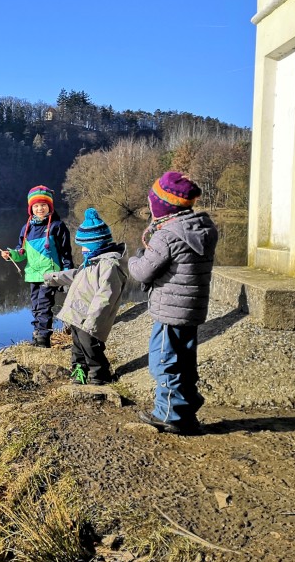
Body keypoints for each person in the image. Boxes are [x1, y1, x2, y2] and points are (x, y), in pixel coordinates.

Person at [128, 172, 218, 435]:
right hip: (192, 309)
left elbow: (142, 272)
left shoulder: (166, 236)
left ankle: (168, 414)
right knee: (185, 362)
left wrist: (134, 258)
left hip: (169, 311)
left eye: (152, 201)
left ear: (161, 205)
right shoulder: (203, 229)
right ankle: (185, 411)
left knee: (164, 361)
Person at [43, 208, 128, 385]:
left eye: (84, 246)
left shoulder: (109, 266)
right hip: (77, 314)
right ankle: (79, 371)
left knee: (91, 347)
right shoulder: (91, 262)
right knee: (77, 347)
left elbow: (105, 298)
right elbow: (77, 275)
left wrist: (92, 320)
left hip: (90, 318)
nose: (82, 250)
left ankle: (100, 375)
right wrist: (53, 278)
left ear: (96, 244)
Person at [0, 185, 73, 347]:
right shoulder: (26, 229)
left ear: (50, 206)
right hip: (33, 274)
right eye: (36, 206)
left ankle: (43, 339)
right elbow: (21, 252)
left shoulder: (57, 226)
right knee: (35, 306)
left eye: (43, 205)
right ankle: (37, 333)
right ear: (31, 208)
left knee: (44, 305)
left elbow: (66, 252)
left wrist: (67, 273)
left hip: (50, 274)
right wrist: (10, 254)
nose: (40, 209)